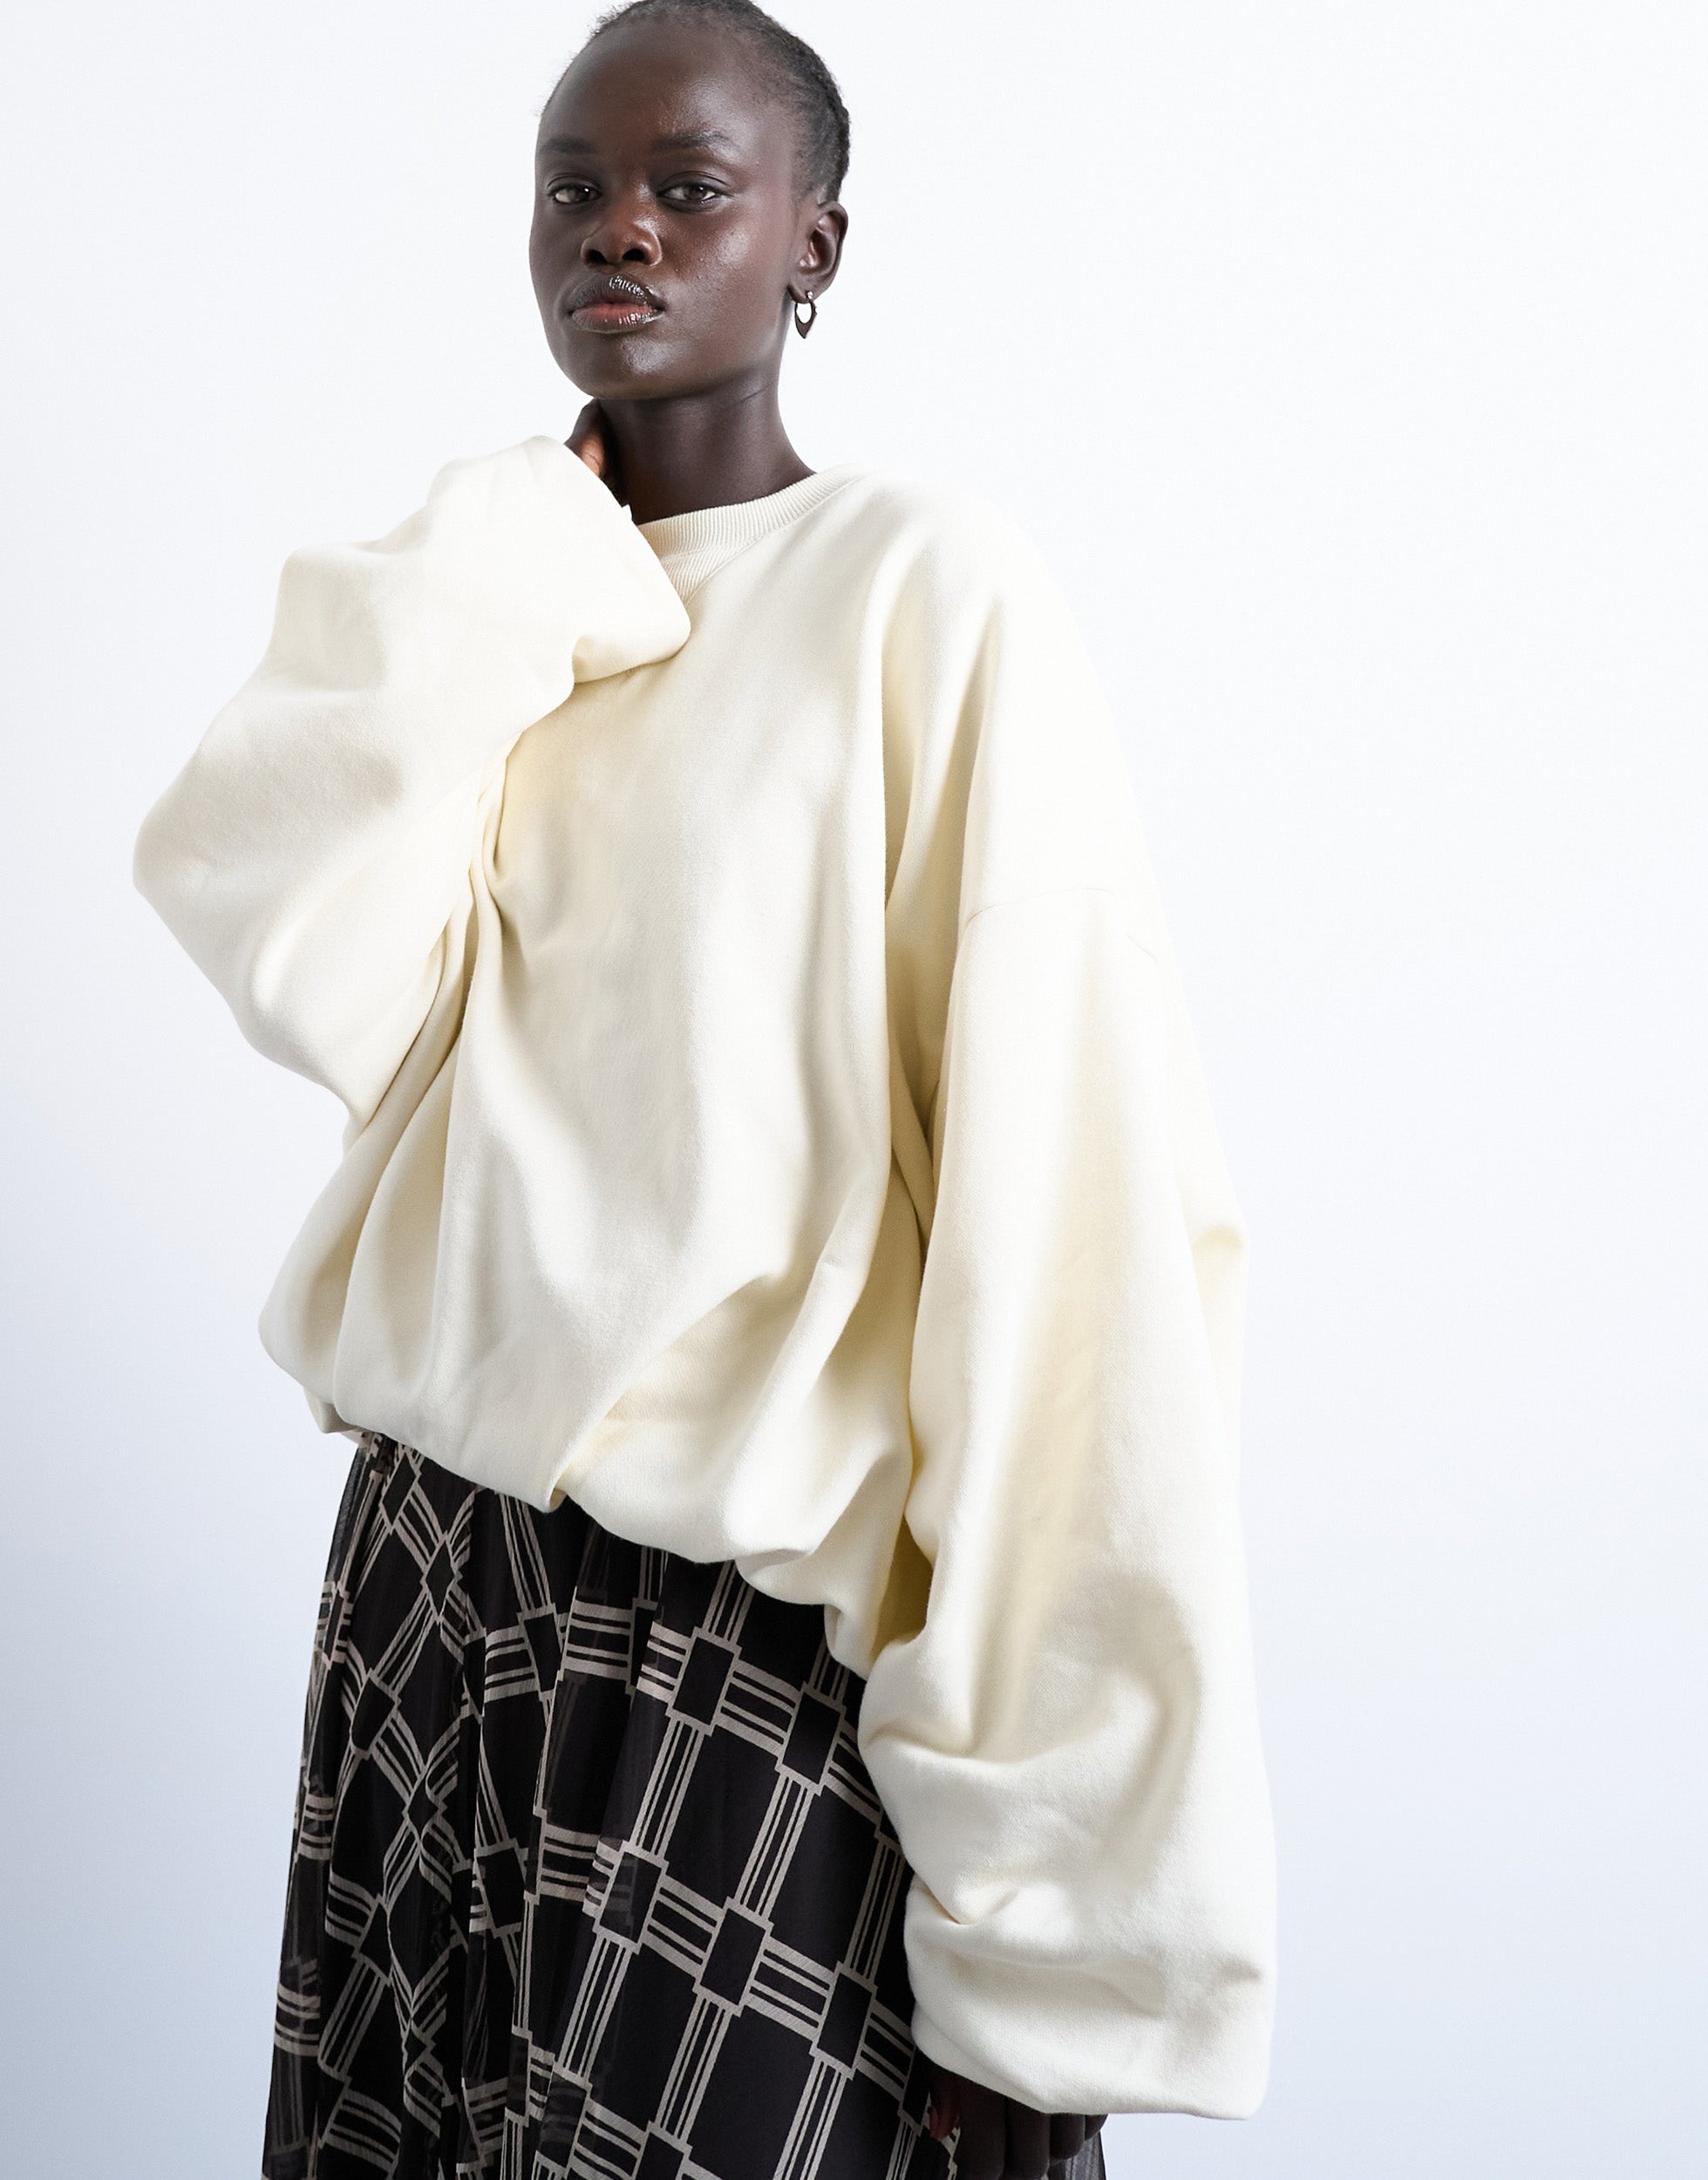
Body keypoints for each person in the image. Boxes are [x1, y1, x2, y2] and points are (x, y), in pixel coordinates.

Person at [133, 3, 1277, 2176]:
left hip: (730, 1643)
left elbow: (1072, 1250)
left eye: (690, 187)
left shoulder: (923, 593)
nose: (622, 233)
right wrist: (517, 550)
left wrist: (1055, 1949)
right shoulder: (511, 605)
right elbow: (284, 934)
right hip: (428, 1598)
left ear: (812, 245)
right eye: (575, 188)